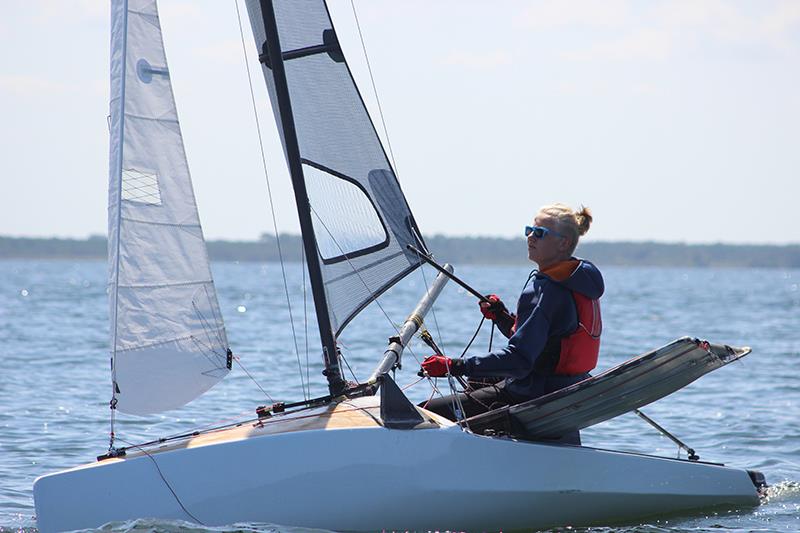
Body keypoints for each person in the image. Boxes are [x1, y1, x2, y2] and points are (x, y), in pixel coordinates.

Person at [420, 203, 604, 444]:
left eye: (540, 233)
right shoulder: (579, 280)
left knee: (423, 413)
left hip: (534, 394)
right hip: (564, 392)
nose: (530, 237)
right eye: (529, 229)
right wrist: (502, 317)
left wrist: (453, 365)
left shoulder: (545, 289)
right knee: (479, 381)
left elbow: (519, 361)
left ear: (564, 243)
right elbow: (543, 345)